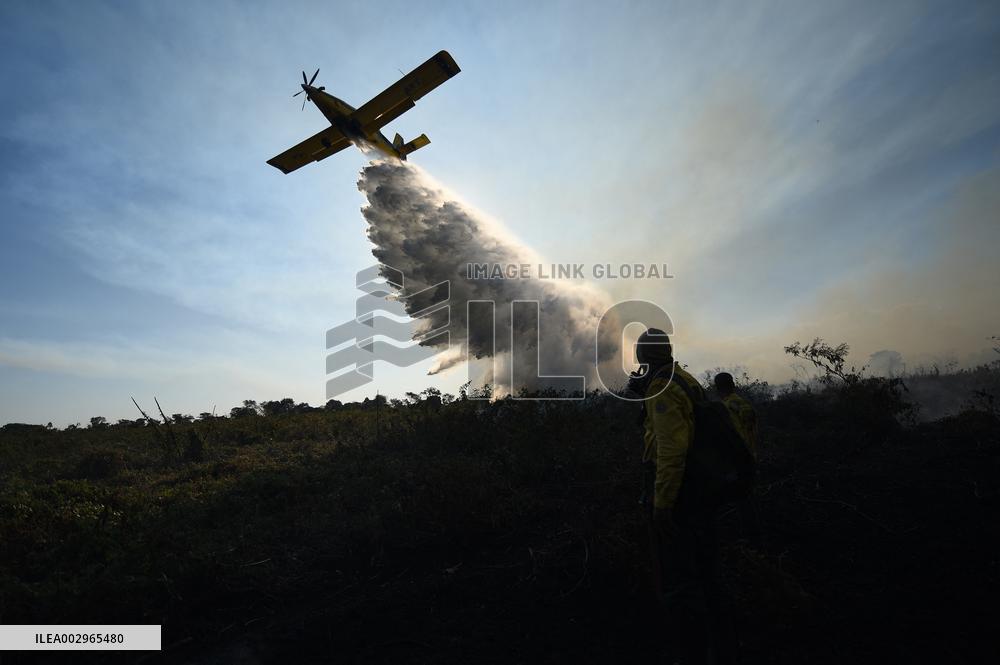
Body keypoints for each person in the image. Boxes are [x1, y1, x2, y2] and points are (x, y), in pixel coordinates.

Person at [633, 329, 733, 664]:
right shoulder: (686, 379)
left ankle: (691, 654)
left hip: (680, 494)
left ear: (643, 356)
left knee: (679, 581)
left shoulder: (662, 388)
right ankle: (721, 646)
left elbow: (671, 452)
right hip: (702, 489)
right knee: (708, 572)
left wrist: (662, 506)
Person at [714, 372, 762, 546]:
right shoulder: (743, 403)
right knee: (746, 497)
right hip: (750, 456)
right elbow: (752, 431)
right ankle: (752, 536)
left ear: (718, 388)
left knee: (741, 500)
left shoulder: (725, 408)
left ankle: (751, 539)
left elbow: (727, 438)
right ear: (733, 385)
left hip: (737, 460)